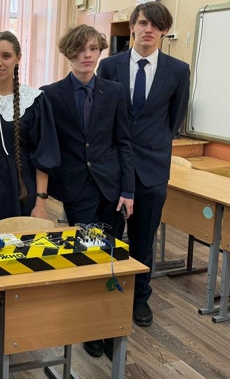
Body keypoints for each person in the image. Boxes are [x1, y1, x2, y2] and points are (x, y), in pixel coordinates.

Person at [42, 24, 135, 360]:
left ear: (100, 53)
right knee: (88, 257)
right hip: (77, 189)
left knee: (111, 258)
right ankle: (92, 327)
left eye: (94, 49)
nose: (87, 55)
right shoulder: (51, 94)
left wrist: (129, 189)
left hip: (112, 187)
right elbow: (49, 146)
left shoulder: (115, 91)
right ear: (69, 53)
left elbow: (123, 142)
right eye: (81, 49)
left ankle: (110, 326)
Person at [98, 1, 190, 330]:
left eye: (156, 25)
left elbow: (174, 120)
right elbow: (102, 115)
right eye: (142, 23)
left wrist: (153, 144)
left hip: (152, 169)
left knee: (143, 238)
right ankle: (104, 297)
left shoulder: (177, 70)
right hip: (113, 169)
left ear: (164, 32)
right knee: (108, 236)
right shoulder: (110, 66)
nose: (148, 29)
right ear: (132, 27)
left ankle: (139, 298)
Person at [0, 31, 60, 224]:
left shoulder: (34, 100)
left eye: (6, 56)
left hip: (22, 191)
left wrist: (40, 203)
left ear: (18, 57)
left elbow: (43, 155)